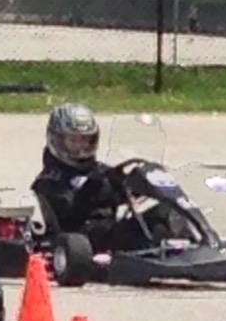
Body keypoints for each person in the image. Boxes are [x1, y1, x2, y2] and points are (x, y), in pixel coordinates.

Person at [31, 103, 186, 251]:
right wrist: (95, 190)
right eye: (74, 141)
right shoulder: (49, 180)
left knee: (168, 212)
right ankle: (157, 246)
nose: (82, 147)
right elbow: (69, 216)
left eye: (86, 140)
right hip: (82, 241)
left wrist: (142, 182)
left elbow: (119, 188)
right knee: (137, 232)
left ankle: (201, 242)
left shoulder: (100, 170)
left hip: (112, 231)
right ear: (56, 140)